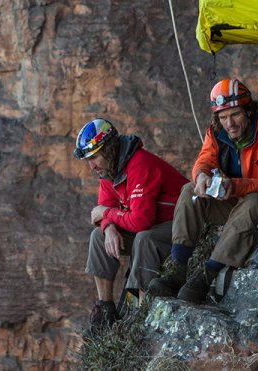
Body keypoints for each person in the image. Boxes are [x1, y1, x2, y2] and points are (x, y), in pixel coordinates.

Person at [147, 79, 258, 304]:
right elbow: (204, 160)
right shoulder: (216, 132)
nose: (230, 123)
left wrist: (235, 186)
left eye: (235, 115)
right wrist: (201, 176)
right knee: (189, 191)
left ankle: (207, 275)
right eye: (223, 117)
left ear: (249, 111)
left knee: (252, 203)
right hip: (235, 196)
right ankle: (178, 269)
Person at [75, 117, 188, 330]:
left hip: (181, 223)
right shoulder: (109, 172)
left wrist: (107, 213)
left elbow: (140, 221)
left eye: (94, 157)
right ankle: (105, 308)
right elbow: (104, 211)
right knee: (98, 237)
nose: (91, 166)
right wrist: (108, 227)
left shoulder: (140, 164)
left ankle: (133, 309)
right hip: (153, 223)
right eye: (88, 160)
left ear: (108, 149)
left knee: (145, 239)